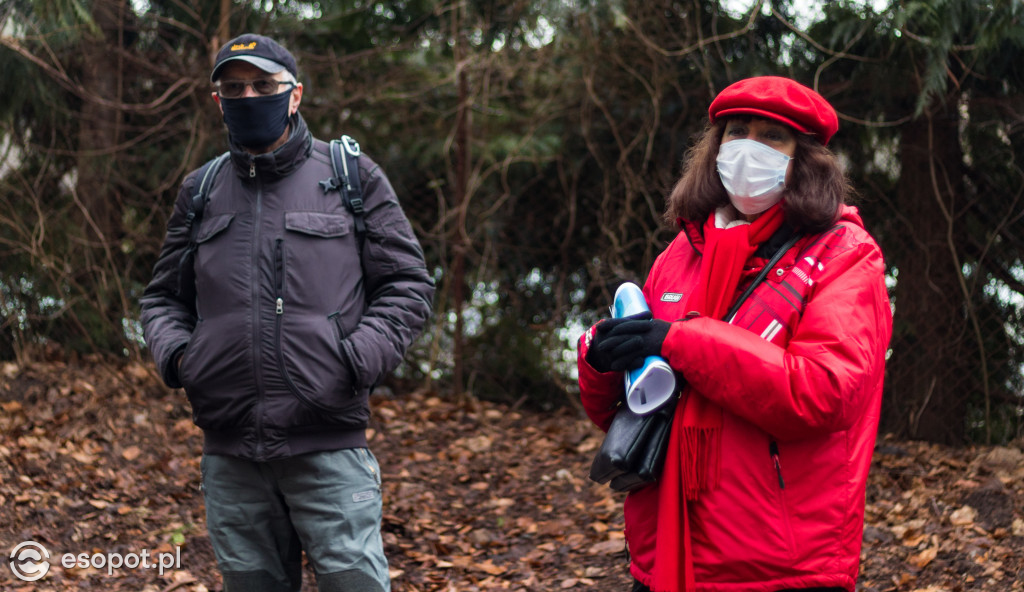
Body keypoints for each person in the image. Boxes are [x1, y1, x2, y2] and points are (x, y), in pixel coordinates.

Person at [140, 34, 434, 592]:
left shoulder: (352, 175)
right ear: (217, 100)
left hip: (328, 447)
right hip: (231, 456)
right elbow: (163, 298)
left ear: (294, 95)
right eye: (234, 88)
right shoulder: (200, 190)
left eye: (263, 85)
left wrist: (353, 360)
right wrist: (182, 359)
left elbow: (407, 284)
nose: (249, 96)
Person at [577, 76, 892, 592]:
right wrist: (602, 360)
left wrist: (679, 340)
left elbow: (824, 392)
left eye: (772, 136)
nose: (748, 148)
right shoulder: (682, 253)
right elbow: (625, 412)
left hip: (777, 567)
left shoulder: (845, 255)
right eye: (736, 131)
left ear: (804, 158)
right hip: (663, 553)